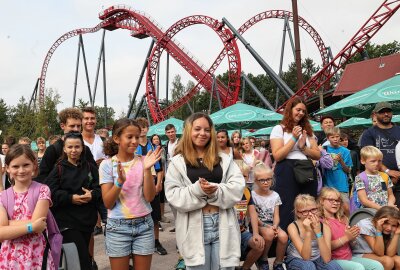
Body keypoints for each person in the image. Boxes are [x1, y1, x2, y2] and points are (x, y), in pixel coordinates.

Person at [165, 112, 245, 269]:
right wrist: (197, 190)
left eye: (207, 130)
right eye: (197, 129)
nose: (202, 133)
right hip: (194, 226)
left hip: (223, 223)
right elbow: (172, 195)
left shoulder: (224, 159)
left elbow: (237, 187)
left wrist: (215, 190)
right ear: (189, 131)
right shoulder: (177, 162)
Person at [99, 118, 161, 270]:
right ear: (116, 138)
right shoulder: (107, 165)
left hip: (144, 225)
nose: (134, 141)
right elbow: (108, 203)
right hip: (118, 227)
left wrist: (147, 170)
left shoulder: (145, 161)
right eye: (129, 137)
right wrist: (119, 182)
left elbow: (149, 197)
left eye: (137, 137)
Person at [45, 132, 101, 270]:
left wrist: (92, 195)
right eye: (70, 147)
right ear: (64, 149)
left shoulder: (89, 167)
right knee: (82, 259)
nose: (73, 150)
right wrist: (70, 198)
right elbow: (49, 193)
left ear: (82, 148)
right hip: (67, 222)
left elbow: (101, 188)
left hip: (87, 221)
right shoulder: (58, 168)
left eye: (77, 147)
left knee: (80, 258)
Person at [0, 144, 54, 269]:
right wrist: (31, 226)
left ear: (34, 165)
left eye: (25, 165)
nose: (21, 170)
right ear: (7, 168)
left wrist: (8, 224)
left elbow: (39, 226)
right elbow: (1, 233)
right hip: (10, 259)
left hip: (36, 257)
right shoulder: (2, 196)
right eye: (15, 166)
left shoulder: (42, 190)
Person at [270, 97, 320, 231]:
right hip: (286, 169)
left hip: (306, 170)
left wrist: (304, 148)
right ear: (290, 110)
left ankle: (309, 238)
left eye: (304, 111)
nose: (301, 113)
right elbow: (278, 156)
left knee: (309, 206)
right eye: (298, 110)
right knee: (287, 207)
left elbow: (317, 154)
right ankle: (286, 242)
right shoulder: (279, 129)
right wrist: (294, 138)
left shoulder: (308, 131)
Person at [319, 187, 384, 270]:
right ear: (321, 201)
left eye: (338, 200)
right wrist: (346, 238)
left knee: (377, 266)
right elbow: (325, 247)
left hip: (349, 257)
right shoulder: (321, 222)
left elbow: (351, 244)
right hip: (333, 260)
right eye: (331, 200)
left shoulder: (343, 219)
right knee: (358, 267)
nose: (335, 203)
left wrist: (352, 238)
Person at [36, 107, 96, 183]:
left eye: (78, 126)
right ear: (62, 126)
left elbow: (95, 174)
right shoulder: (53, 150)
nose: (76, 129)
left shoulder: (85, 149)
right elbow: (42, 177)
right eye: (72, 126)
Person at [136, 118, 167, 256]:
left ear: (148, 129)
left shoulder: (154, 147)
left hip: (153, 182)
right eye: (140, 127)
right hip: (137, 185)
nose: (142, 129)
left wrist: (159, 183)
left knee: (155, 216)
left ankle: (156, 241)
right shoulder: (133, 146)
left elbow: (159, 169)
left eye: (144, 127)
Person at [285, 194, 341, 270]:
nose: (310, 214)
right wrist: (308, 232)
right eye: (305, 211)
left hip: (317, 258)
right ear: (298, 213)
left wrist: (318, 232)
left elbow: (327, 259)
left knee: (334, 266)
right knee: (309, 266)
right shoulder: (293, 227)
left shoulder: (325, 227)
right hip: (296, 258)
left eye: (313, 210)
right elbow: (306, 257)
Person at [360, 102, 400, 205]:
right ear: (375, 114)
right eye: (382, 112)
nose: (386, 114)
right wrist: (387, 171)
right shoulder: (369, 133)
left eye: (388, 111)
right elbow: (368, 157)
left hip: (399, 177)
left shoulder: (398, 130)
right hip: (379, 179)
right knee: (386, 211)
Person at [251, 161, 287, 270]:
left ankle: (278, 262)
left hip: (272, 224)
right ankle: (263, 258)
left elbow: (276, 215)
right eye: (262, 180)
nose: (266, 182)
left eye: (268, 179)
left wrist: (275, 225)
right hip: (259, 224)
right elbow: (253, 217)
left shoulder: (275, 195)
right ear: (256, 181)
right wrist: (267, 226)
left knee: (284, 236)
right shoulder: (253, 195)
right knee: (270, 234)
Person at [81, 107, 107, 237]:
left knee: (109, 221)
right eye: (86, 118)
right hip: (84, 187)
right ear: (81, 121)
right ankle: (89, 257)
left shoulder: (102, 140)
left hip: (102, 185)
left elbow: (111, 159)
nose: (89, 121)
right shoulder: (76, 141)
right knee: (87, 228)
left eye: (92, 118)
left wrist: (105, 162)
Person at [234, 161, 264, 270]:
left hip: (241, 231)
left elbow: (253, 214)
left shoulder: (246, 191)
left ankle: (245, 268)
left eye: (244, 176)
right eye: (238, 175)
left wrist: (256, 233)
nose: (241, 179)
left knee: (259, 244)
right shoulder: (226, 191)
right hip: (227, 233)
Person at [355, 146, 396, 210]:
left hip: (385, 210)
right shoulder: (360, 177)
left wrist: (390, 204)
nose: (377, 164)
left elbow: (390, 195)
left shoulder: (384, 176)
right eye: (373, 161)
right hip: (369, 212)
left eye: (379, 161)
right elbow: (363, 200)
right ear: (363, 161)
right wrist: (380, 208)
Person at [323, 127, 352, 215]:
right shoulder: (324, 149)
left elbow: (348, 170)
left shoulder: (346, 151)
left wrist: (341, 161)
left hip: (341, 185)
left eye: (337, 136)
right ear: (328, 138)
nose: (335, 139)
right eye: (332, 137)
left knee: (346, 210)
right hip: (327, 185)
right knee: (327, 211)